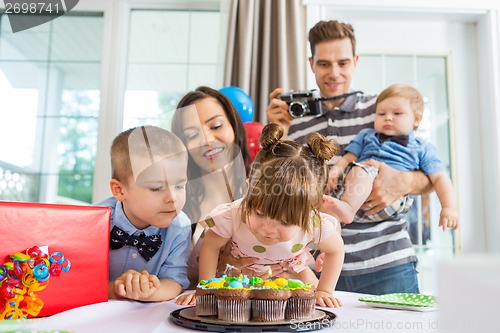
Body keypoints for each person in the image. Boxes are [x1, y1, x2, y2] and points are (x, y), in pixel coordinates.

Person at [266, 20, 433, 295]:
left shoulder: (382, 110)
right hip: (319, 269)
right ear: (311, 63)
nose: (334, 73)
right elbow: (275, 190)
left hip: (388, 261)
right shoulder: (294, 119)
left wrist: (402, 182)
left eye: (343, 63)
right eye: (324, 64)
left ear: (355, 61)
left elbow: (429, 173)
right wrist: (278, 132)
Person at [177, 123, 345, 308]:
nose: (268, 229)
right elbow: (210, 245)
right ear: (249, 189)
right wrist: (206, 288)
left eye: (285, 222)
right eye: (259, 213)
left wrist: (324, 290)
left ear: (307, 211)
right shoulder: (233, 215)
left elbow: (336, 250)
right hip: (241, 278)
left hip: (289, 277)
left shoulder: (313, 223)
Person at [327, 83, 459, 230]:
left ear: (416, 119)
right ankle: (335, 225)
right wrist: (336, 170)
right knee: (324, 199)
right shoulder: (367, 135)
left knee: (362, 170)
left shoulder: (422, 147)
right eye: (381, 114)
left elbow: (440, 177)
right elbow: (348, 158)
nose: (388, 118)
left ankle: (346, 209)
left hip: (392, 202)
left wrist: (449, 208)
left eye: (397, 114)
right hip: (353, 192)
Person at [96, 126, 191, 302]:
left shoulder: (180, 227)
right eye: (156, 188)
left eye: (180, 186)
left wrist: (150, 292)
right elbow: (80, 281)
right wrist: (118, 289)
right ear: (119, 190)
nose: (173, 198)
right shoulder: (93, 222)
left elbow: (175, 280)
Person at [171, 86, 252, 248]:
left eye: (216, 126)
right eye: (192, 135)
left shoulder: (267, 192)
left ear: (234, 126)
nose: (207, 140)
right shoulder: (175, 204)